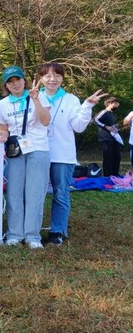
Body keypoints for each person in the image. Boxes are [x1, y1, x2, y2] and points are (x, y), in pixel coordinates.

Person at [39, 62, 107, 246]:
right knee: (35, 193)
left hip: (63, 155)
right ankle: (31, 230)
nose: (52, 79)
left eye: (57, 75)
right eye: (47, 75)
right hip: (38, 153)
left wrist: (87, 106)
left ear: (62, 78)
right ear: (41, 78)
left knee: (61, 193)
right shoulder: (34, 97)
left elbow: (78, 127)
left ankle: (57, 231)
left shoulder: (70, 99)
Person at [0, 66, 51, 249]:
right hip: (15, 151)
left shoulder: (38, 96)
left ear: (24, 80)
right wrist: (3, 137)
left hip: (38, 148)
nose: (15, 84)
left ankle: (33, 236)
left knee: (35, 193)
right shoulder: (2, 104)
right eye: (10, 81)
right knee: (14, 193)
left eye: (17, 79)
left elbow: (46, 121)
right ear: (6, 85)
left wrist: (35, 99)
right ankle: (14, 234)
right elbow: (3, 128)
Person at [94, 97, 122, 177]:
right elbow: (95, 120)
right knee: (108, 158)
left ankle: (115, 174)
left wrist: (116, 128)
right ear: (109, 103)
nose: (117, 105)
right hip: (106, 138)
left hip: (114, 138)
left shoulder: (111, 114)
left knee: (117, 157)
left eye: (118, 104)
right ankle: (107, 176)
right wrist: (106, 127)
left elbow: (111, 125)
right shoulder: (104, 112)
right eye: (115, 103)